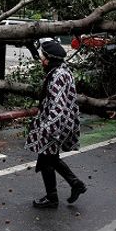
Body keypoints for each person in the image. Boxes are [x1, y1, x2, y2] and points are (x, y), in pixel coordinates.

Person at [25, 40, 87, 208]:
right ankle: (75, 184)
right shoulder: (58, 71)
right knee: (50, 158)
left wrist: (48, 129)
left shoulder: (59, 76)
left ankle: (53, 198)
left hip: (56, 126)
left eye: (43, 57)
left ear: (50, 59)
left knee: (46, 159)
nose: (41, 60)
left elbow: (58, 107)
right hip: (57, 124)